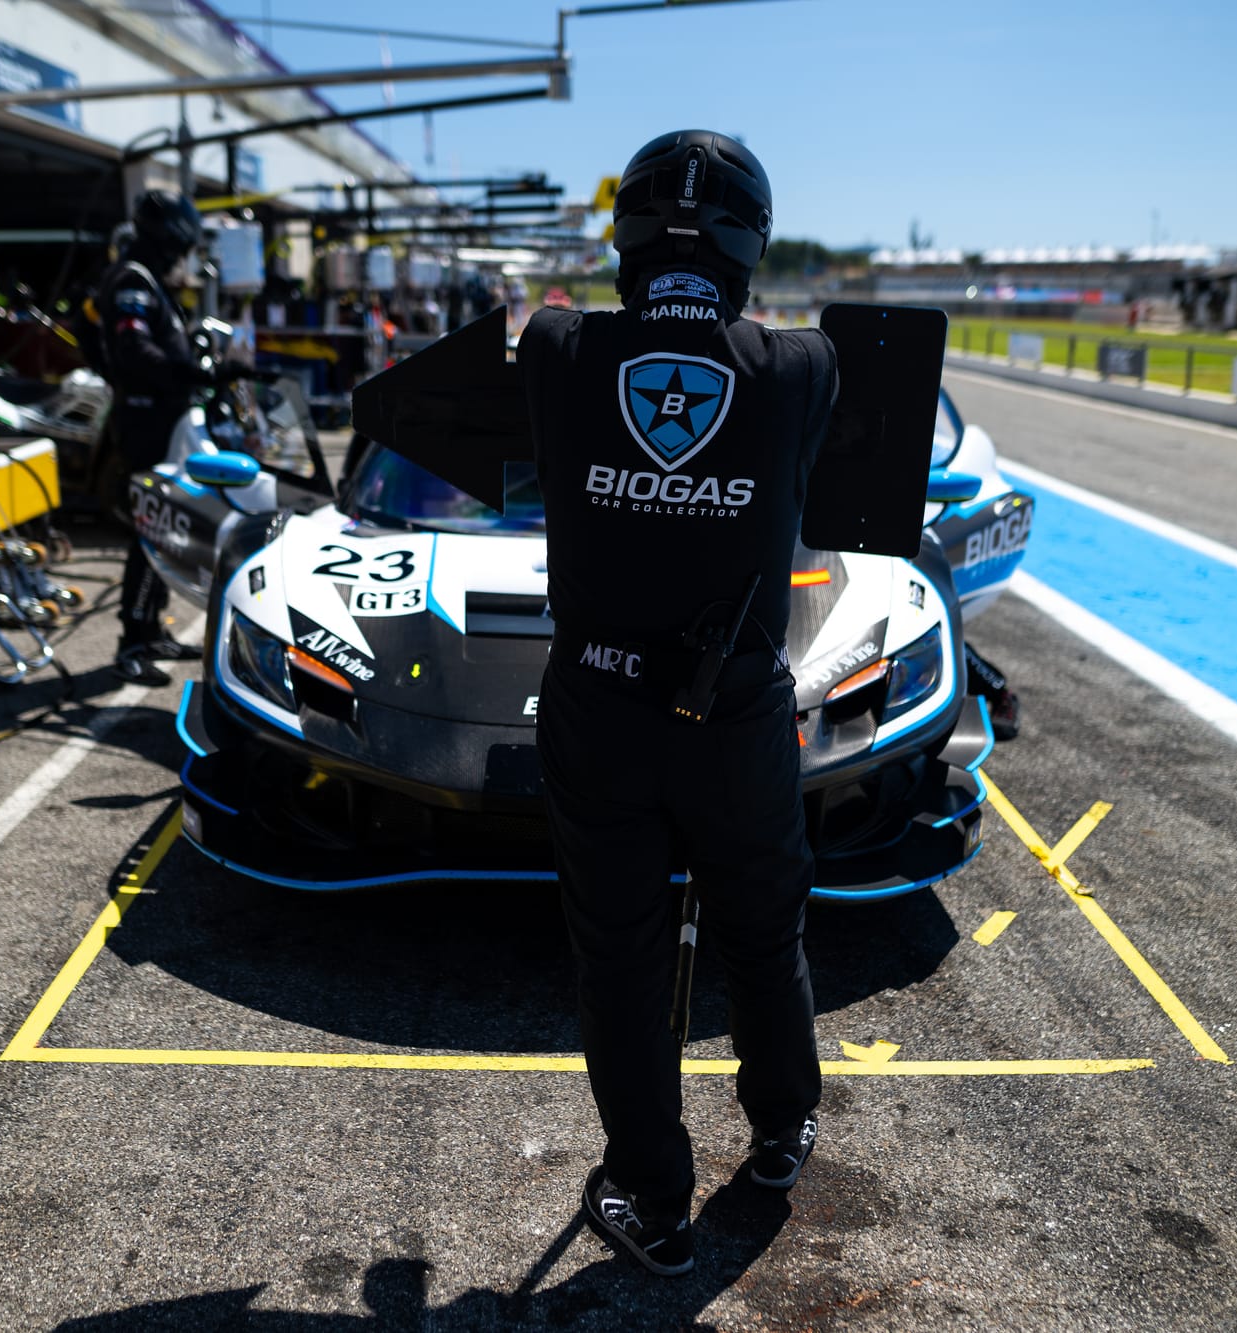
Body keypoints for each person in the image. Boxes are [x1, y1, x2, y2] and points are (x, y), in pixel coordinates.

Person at [519, 129, 834, 1277]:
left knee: (619, 960)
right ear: (749, 245)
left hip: (597, 709)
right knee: (763, 930)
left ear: (627, 237)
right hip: (735, 715)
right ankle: (780, 1126)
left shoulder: (556, 345)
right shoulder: (800, 366)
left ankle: (653, 1201)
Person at [95, 188, 216, 685]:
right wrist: (189, 373)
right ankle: (132, 641)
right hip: (144, 422)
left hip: (160, 419)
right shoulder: (133, 278)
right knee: (151, 527)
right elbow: (133, 348)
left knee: (163, 526)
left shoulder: (146, 277)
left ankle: (150, 630)